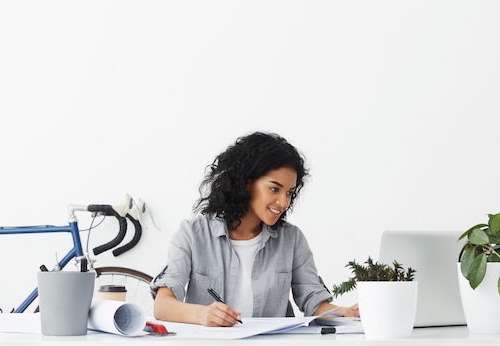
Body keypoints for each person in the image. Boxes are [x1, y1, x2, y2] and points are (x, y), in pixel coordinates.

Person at [150, 131, 359, 326]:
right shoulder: (193, 234)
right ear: (246, 183)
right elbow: (162, 305)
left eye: (289, 193)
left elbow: (315, 303)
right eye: (274, 189)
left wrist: (345, 312)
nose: (283, 202)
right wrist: (203, 314)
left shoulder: (292, 239)